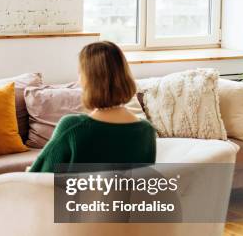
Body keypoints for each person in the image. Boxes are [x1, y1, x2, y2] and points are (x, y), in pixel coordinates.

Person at [29, 41, 156, 173]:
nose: (78, 80)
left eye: (80, 73)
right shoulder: (147, 131)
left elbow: (37, 176)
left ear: (89, 79)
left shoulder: (72, 127)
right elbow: (142, 187)